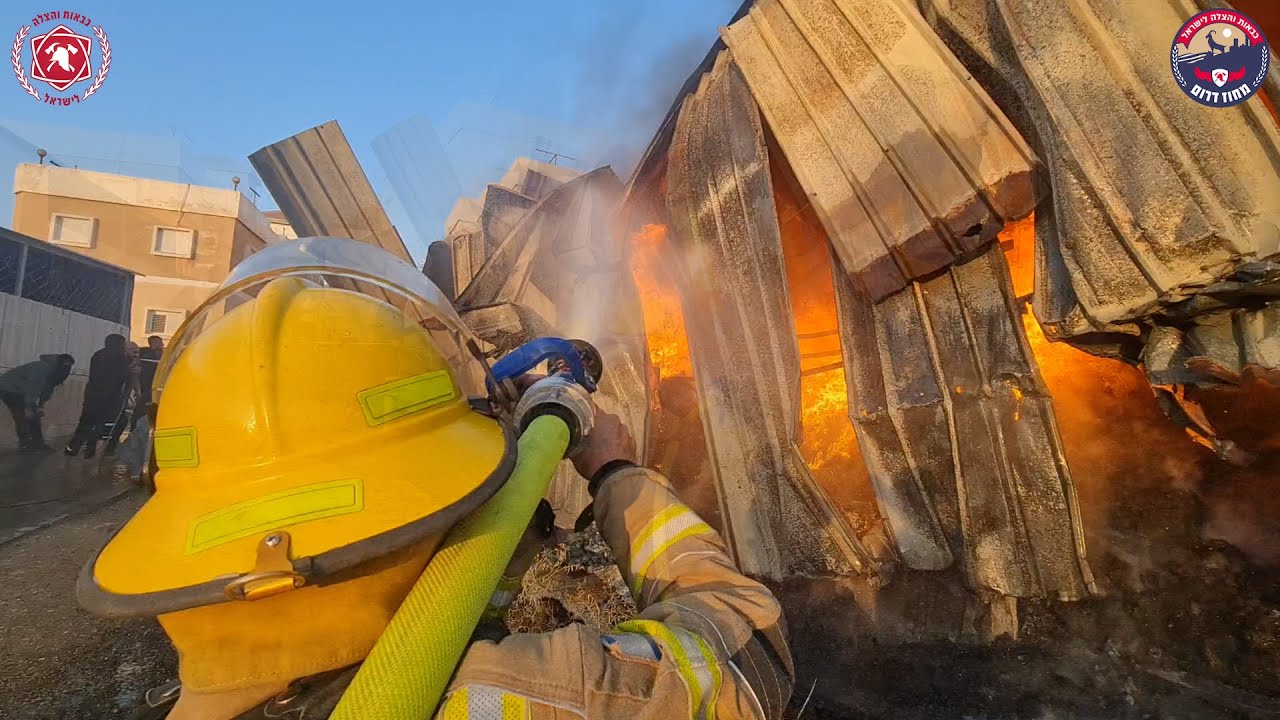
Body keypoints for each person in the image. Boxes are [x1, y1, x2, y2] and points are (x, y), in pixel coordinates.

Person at [78, 276, 792, 720]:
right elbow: (748, 650)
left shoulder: (215, 692)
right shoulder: (502, 696)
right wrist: (614, 470)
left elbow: (434, 576)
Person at [64, 333, 131, 459]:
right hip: (109, 396)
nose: (124, 347)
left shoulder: (98, 355)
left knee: (87, 422)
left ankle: (73, 448)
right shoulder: (119, 357)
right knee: (111, 422)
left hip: (92, 394)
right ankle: (99, 450)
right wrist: (130, 370)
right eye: (122, 344)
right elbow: (119, 377)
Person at [0, 353, 75, 452]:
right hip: (9, 388)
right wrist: (28, 407)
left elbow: (47, 390)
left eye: (69, 365)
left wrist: (40, 406)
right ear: (59, 361)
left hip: (21, 390)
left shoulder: (56, 372)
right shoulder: (42, 368)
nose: (67, 367)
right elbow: (32, 387)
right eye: (66, 364)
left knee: (34, 416)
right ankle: (25, 444)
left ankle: (38, 444)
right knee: (22, 415)